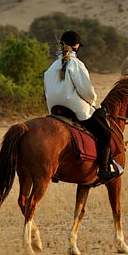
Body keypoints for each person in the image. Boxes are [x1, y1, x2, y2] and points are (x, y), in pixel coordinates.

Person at [44, 30, 121, 183]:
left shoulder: (51, 67)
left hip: (54, 109)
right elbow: (86, 92)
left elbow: (47, 90)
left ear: (62, 44)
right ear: (77, 46)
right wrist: (93, 103)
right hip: (75, 110)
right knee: (105, 133)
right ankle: (105, 170)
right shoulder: (76, 64)